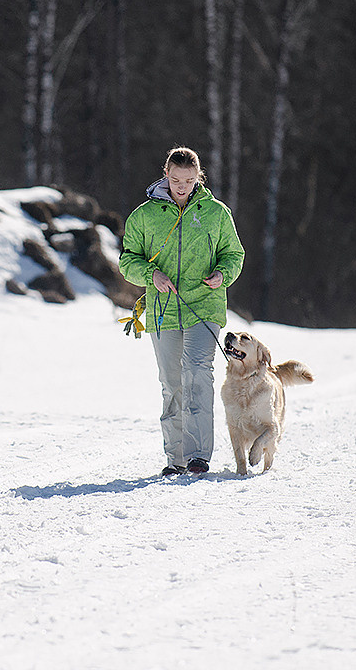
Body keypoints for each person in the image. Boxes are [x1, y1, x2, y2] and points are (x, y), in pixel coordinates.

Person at [118, 147, 245, 477]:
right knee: (172, 382)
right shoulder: (144, 216)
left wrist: (222, 275)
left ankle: (198, 455)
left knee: (197, 369)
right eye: (175, 179)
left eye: (189, 180)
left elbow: (234, 254)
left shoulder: (216, 214)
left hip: (204, 305)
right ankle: (175, 458)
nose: (181, 186)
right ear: (166, 174)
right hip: (163, 309)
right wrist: (152, 276)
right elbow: (128, 260)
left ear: (198, 177)